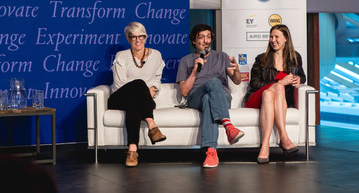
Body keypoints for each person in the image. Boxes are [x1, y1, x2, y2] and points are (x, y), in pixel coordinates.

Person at [176, 24, 245, 168]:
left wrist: (237, 70)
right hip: (196, 97)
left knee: (209, 99)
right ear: (194, 41)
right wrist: (195, 71)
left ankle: (211, 152)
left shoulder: (222, 56)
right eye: (201, 37)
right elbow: (183, 92)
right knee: (212, 84)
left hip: (222, 97)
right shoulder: (186, 61)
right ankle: (228, 126)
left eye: (208, 37)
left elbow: (237, 81)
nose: (206, 41)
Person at [244, 24, 306, 164]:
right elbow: (254, 83)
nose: (273, 40)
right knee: (276, 88)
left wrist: (298, 79)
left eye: (276, 37)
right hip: (257, 97)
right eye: (271, 37)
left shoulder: (295, 57)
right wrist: (279, 82)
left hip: (277, 99)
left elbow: (303, 76)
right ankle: (284, 138)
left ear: (285, 39)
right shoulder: (262, 58)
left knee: (274, 92)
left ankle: (265, 145)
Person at [108, 22, 166, 167]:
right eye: (133, 37)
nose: (138, 40)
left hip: (142, 101)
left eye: (141, 36)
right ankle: (152, 125)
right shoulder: (121, 56)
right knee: (138, 84)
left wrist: (153, 88)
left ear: (146, 37)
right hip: (119, 98)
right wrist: (145, 90)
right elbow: (119, 84)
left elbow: (157, 79)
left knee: (134, 103)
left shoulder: (156, 55)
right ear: (128, 39)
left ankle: (132, 150)